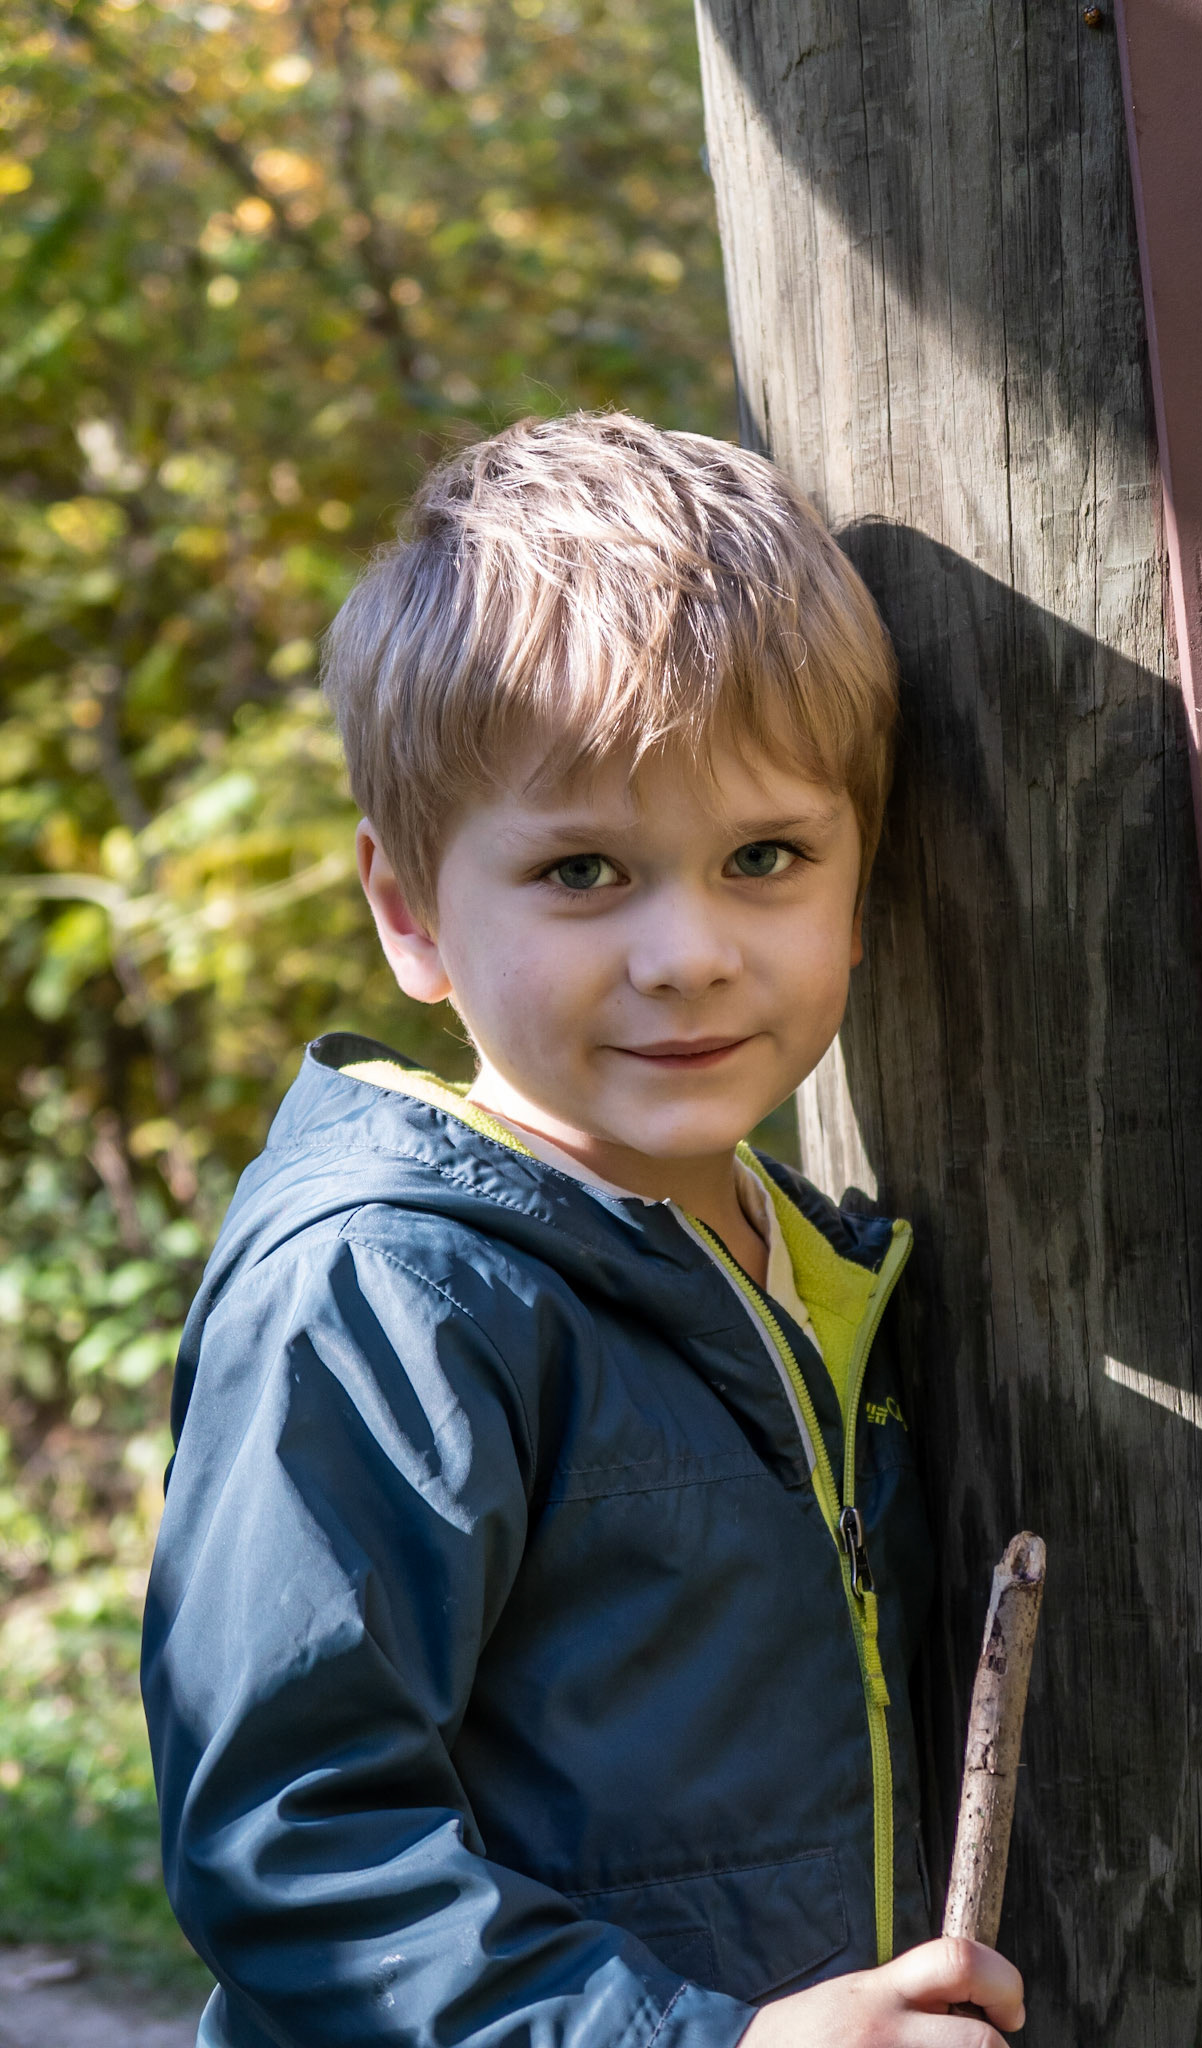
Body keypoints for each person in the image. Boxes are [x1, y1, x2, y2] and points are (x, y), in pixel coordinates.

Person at [142, 412, 1025, 2047]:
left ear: (861, 875)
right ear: (409, 913)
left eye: (763, 856)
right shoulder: (386, 1291)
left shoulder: (794, 1254)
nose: (687, 952)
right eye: (581, 872)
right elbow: (294, 1845)